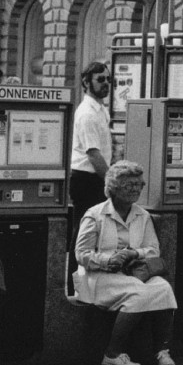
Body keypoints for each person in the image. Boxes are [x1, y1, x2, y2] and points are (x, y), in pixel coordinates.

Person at [74, 161, 177, 365]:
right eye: (128, 185)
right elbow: (81, 254)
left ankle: (161, 350)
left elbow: (152, 249)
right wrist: (107, 260)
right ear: (113, 187)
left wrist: (133, 253)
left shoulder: (142, 215)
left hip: (134, 272)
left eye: (138, 185)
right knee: (138, 293)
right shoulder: (95, 214)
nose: (135, 190)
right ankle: (112, 355)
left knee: (163, 288)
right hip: (100, 276)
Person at [70, 61, 112, 254]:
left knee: (93, 232)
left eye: (108, 79)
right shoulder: (87, 113)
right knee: (84, 233)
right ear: (86, 82)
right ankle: (74, 282)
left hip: (94, 178)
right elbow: (94, 154)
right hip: (87, 178)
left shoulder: (100, 110)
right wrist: (112, 181)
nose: (106, 83)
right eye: (100, 79)